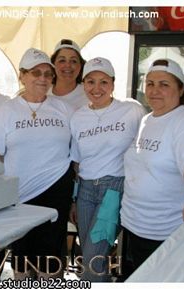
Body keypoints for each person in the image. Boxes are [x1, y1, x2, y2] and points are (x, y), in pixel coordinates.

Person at [0, 48, 74, 280]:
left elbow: (77, 149)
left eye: (47, 74)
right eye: (36, 73)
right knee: (22, 257)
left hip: (56, 190)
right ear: (22, 76)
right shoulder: (8, 110)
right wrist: (2, 190)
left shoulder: (63, 108)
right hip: (20, 194)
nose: (43, 79)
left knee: (50, 256)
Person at [120, 58, 184, 273]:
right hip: (140, 226)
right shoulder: (147, 119)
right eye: (150, 84)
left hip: (173, 230)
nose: (154, 91)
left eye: (164, 85)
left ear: (181, 89)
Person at [68, 57, 145, 282]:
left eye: (103, 82)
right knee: (95, 258)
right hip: (85, 191)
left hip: (114, 189)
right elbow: (77, 162)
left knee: (92, 256)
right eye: (90, 82)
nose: (97, 88)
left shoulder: (132, 111)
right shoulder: (78, 117)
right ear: (83, 85)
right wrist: (74, 199)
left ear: (113, 84)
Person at [49, 39, 87, 111]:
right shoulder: (43, 93)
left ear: (80, 66)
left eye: (73, 61)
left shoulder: (89, 94)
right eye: (62, 60)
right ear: (53, 64)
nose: (68, 65)